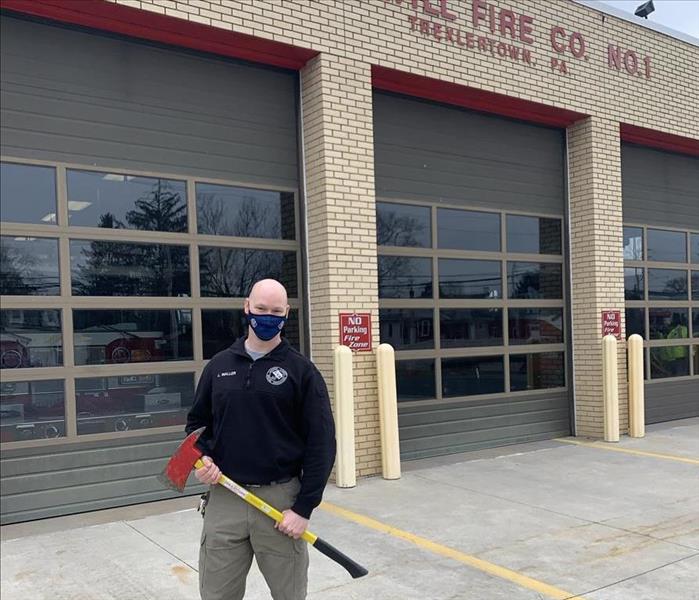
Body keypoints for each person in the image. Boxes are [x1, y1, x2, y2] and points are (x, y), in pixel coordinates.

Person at [186, 278, 336, 600]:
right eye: (261, 309)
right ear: (246, 307)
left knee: (289, 594)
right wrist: (203, 460)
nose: (267, 316)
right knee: (216, 594)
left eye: (276, 311)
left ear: (287, 314)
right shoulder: (219, 366)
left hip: (281, 502)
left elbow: (322, 444)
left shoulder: (302, 372)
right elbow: (197, 426)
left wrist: (304, 507)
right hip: (225, 496)